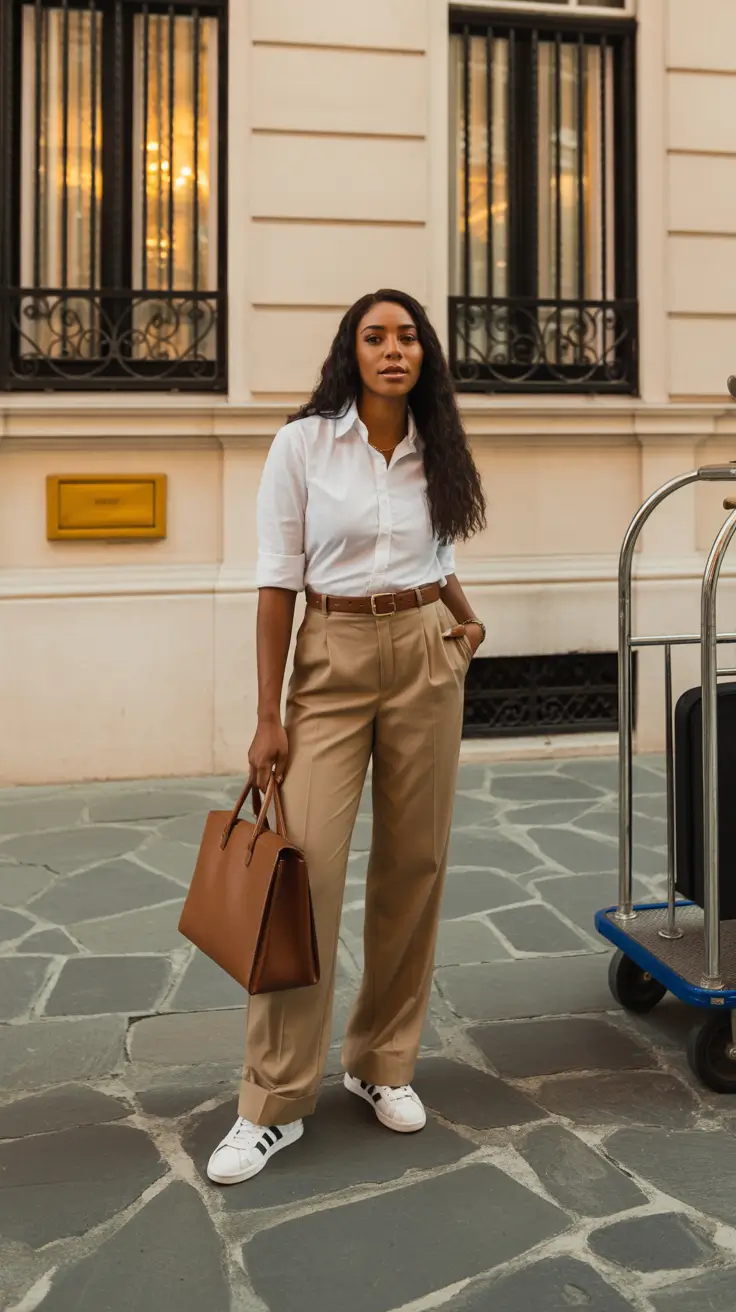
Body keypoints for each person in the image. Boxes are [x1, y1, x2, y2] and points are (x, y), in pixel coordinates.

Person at [207, 289, 487, 1185]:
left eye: (407, 336)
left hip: (424, 655)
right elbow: (276, 580)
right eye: (376, 336)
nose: (393, 349)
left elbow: (437, 556)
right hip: (327, 654)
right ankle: (273, 1101)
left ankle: (382, 1062)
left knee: (415, 862)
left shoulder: (436, 446)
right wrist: (266, 713)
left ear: (424, 355)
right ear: (351, 351)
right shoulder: (303, 445)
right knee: (308, 876)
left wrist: (467, 622)